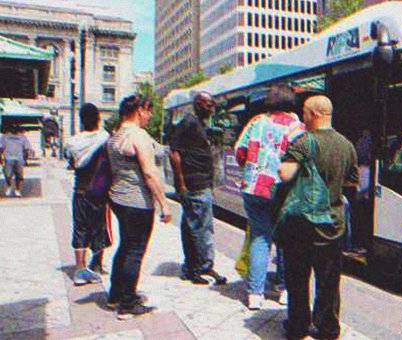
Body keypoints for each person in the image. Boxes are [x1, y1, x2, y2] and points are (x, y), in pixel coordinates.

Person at [278, 95, 358, 340]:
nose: (303, 117)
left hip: (302, 226)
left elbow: (284, 174)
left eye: (304, 112)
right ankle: (328, 329)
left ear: (313, 114)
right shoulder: (347, 145)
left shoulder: (303, 142)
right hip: (332, 225)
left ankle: (298, 326)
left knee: (298, 278)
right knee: (328, 281)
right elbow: (352, 183)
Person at [234, 83, 305, 310]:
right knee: (285, 239)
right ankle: (284, 289)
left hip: (254, 189)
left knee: (260, 237)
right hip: (282, 189)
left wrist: (252, 168)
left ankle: (255, 294)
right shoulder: (297, 127)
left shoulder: (256, 122)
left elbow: (239, 151)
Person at [106, 94, 172, 320]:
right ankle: (128, 303)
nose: (150, 115)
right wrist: (164, 204)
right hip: (137, 201)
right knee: (135, 250)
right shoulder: (137, 135)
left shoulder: (116, 135)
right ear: (139, 110)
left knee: (125, 247)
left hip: (118, 198)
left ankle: (116, 294)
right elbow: (149, 172)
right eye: (148, 110)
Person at [169, 91, 227, 286]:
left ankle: (198, 265)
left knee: (196, 227)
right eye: (210, 104)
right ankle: (199, 267)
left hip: (200, 184)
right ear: (199, 104)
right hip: (195, 185)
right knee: (200, 229)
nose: (213, 108)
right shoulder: (189, 123)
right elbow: (174, 152)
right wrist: (181, 183)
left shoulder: (199, 124)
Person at [64, 103, 112, 285]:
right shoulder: (105, 138)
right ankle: (97, 265)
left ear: (82, 121)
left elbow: (72, 163)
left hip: (80, 191)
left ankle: (79, 269)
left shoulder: (72, 141)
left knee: (80, 228)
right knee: (99, 228)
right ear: (99, 119)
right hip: (99, 193)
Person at [0, 124, 32, 197]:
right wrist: (1, 158)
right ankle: (9, 186)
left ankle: (17, 189)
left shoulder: (22, 137)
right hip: (8, 158)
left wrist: (25, 158)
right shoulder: (5, 137)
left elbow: (26, 148)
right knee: (7, 174)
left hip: (19, 159)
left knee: (19, 175)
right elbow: (1, 148)